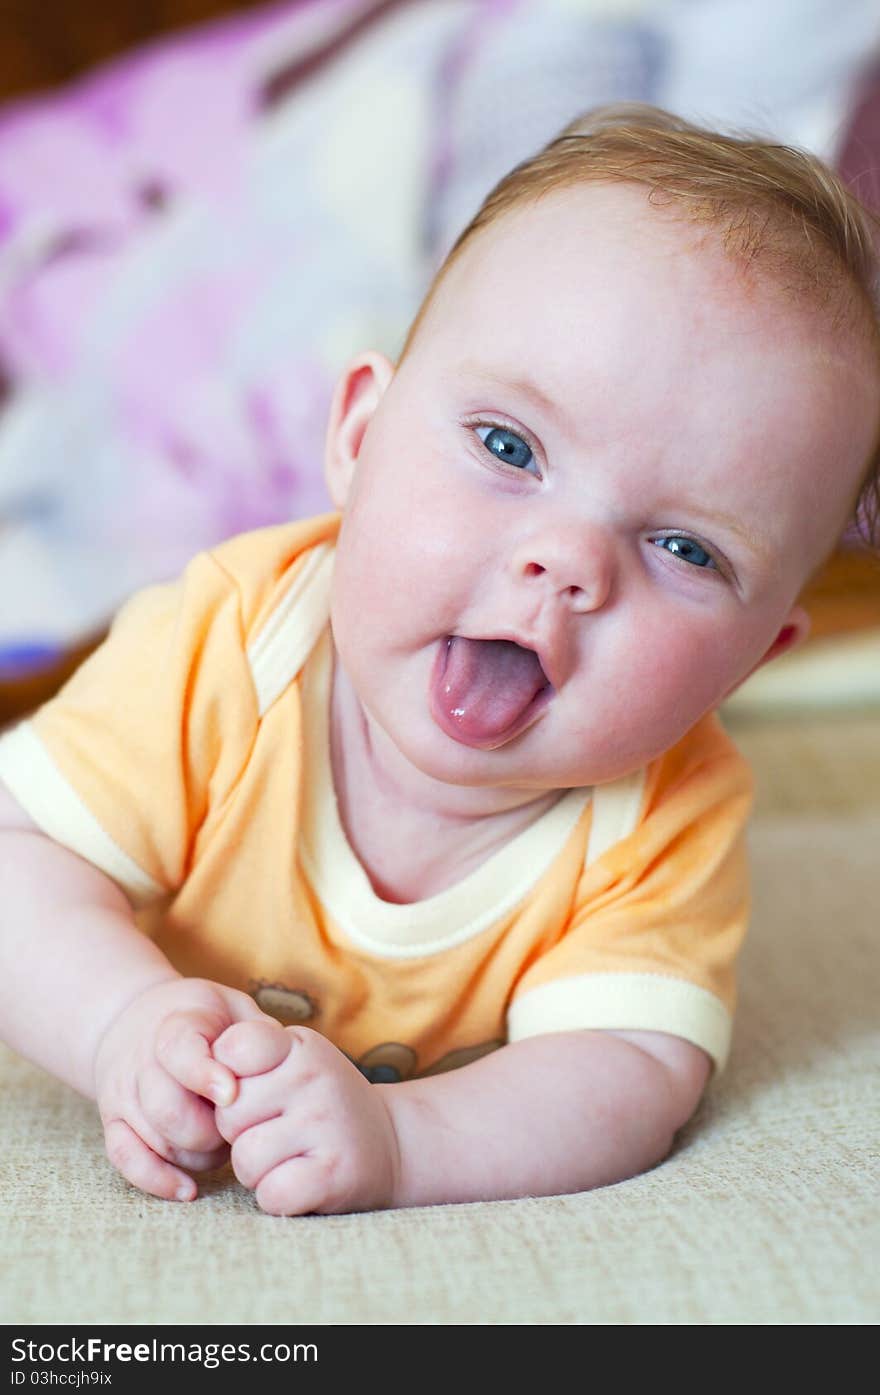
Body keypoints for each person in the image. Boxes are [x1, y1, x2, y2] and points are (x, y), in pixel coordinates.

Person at [1, 106, 878, 1217]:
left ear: (751, 661)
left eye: (683, 548)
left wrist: (404, 1140)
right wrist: (120, 1021)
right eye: (510, 448)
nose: (566, 564)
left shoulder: (665, 812)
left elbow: (629, 1073)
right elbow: (17, 866)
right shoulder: (231, 642)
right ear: (361, 437)